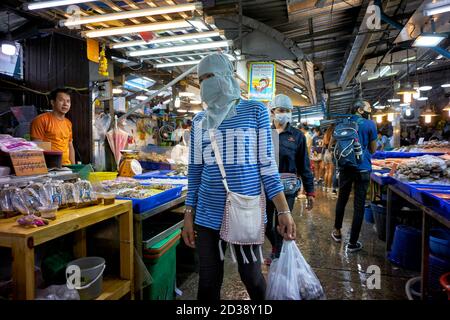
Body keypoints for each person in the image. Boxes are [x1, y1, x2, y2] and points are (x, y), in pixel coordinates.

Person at [182, 53, 296, 301]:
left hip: (246, 210)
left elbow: (267, 166)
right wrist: (188, 214)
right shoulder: (199, 120)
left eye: (210, 76)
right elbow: (195, 172)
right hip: (206, 214)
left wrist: (283, 211)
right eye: (201, 80)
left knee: (252, 277)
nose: (205, 84)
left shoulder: (255, 110)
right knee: (208, 280)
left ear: (226, 76)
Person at [265, 94, 315, 263]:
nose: (284, 114)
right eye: (281, 110)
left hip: (288, 188)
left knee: (282, 224)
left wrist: (310, 192)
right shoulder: (265, 132)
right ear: (273, 112)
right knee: (265, 226)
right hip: (266, 188)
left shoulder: (297, 136)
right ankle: (275, 247)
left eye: (287, 111)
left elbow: (304, 165)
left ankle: (277, 255)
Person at [331, 100, 377, 252]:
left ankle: (337, 232)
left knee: (342, 199)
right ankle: (352, 243)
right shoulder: (370, 124)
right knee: (359, 205)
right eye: (368, 107)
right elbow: (373, 149)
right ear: (360, 110)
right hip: (363, 168)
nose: (370, 109)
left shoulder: (342, 123)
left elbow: (332, 144)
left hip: (345, 167)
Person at [31, 88, 75, 165]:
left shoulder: (68, 123)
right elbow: (36, 146)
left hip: (67, 167)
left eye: (68, 101)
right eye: (61, 100)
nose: (65, 104)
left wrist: (74, 167)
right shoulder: (41, 120)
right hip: (49, 167)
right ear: (53, 102)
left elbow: (70, 146)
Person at [322, 125, 335, 194]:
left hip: (325, 153)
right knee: (330, 172)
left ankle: (325, 187)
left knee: (326, 171)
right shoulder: (333, 134)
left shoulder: (325, 135)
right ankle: (329, 188)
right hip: (331, 153)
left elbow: (323, 145)